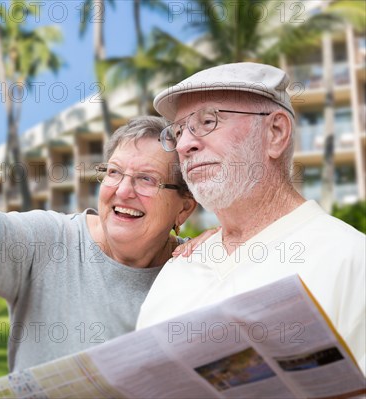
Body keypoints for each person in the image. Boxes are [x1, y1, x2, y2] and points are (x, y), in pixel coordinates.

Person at [0, 116, 204, 372]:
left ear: (184, 207)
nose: (122, 191)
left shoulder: (200, 270)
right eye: (114, 173)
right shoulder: (52, 239)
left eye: (146, 179)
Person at [136, 62, 366, 373]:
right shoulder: (178, 268)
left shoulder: (350, 258)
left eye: (207, 121)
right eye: (177, 131)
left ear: (275, 133)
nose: (184, 145)